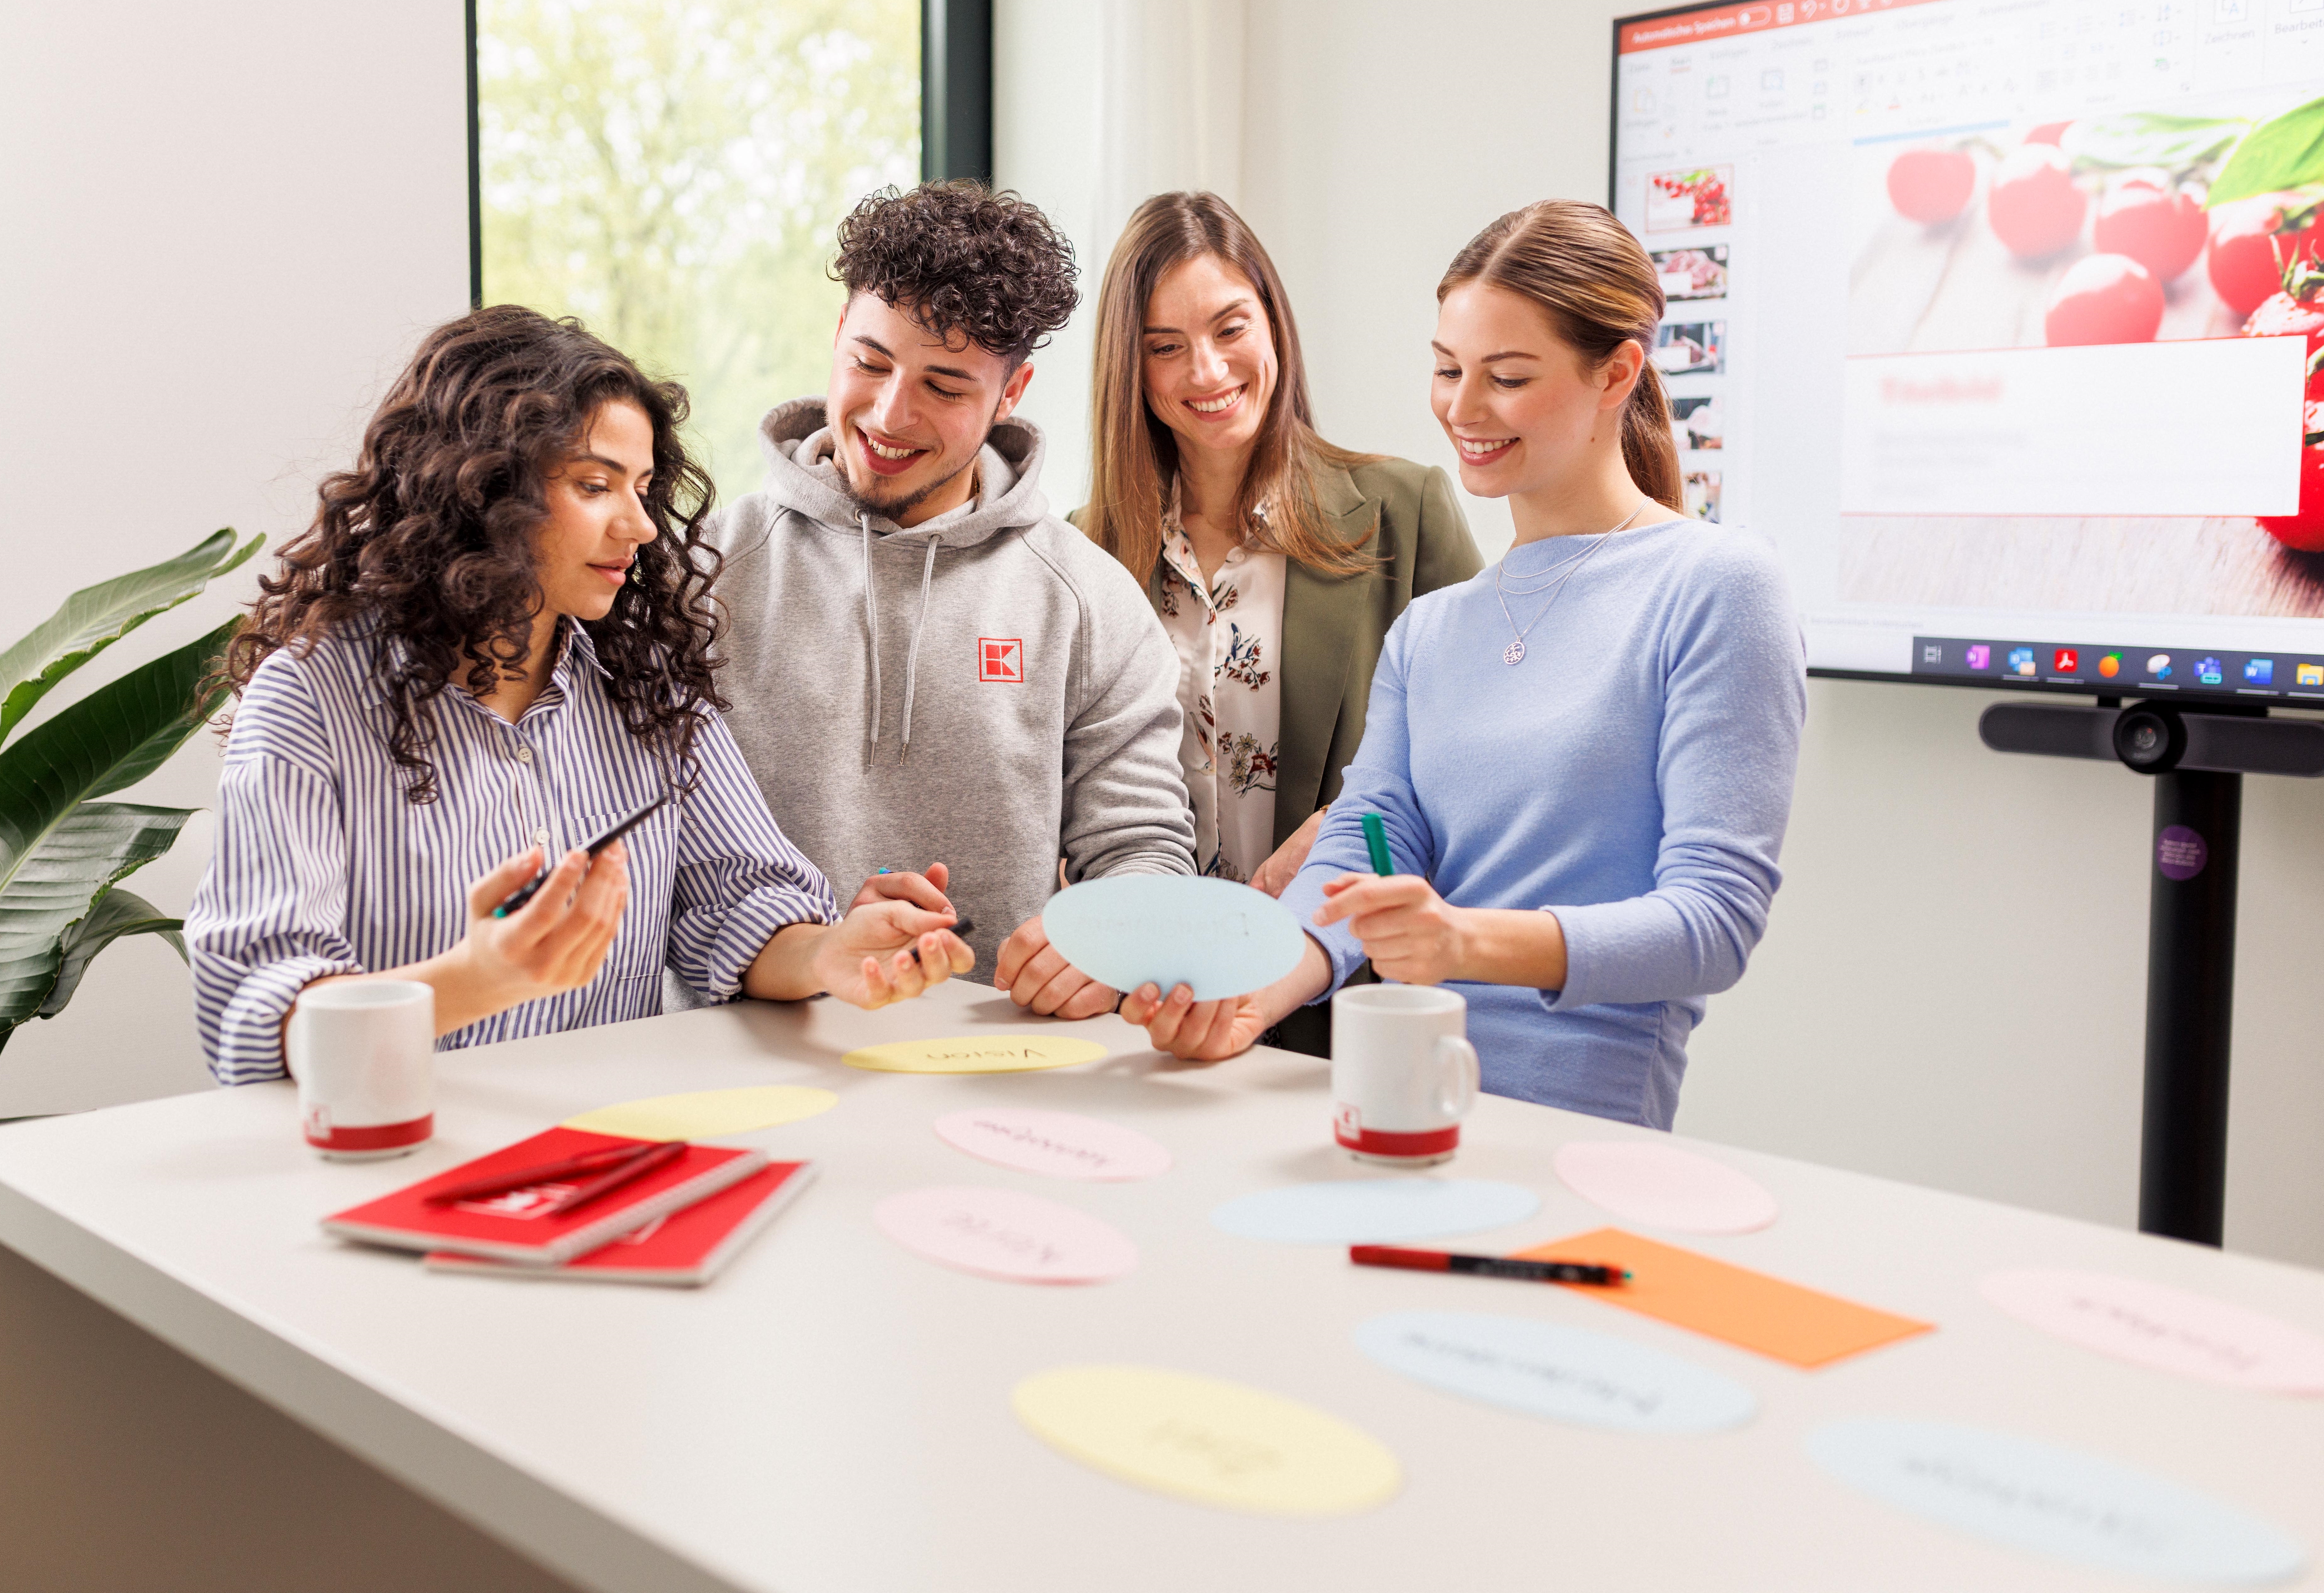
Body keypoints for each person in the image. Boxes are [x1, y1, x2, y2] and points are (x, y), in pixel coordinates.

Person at [1113, 199, 1805, 1129]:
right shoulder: (1431, 630)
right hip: (1394, 1099)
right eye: (1447, 370)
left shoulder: (1717, 585)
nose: (1463, 410)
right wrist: (1250, 993)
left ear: (1617, 374)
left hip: (1580, 1126)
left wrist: (1462, 942)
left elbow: (1713, 923)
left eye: (1507, 377)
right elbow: (1361, 842)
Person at [187, 307, 972, 1086]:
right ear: (478, 488)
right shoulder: (310, 699)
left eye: (642, 488)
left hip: (613, 1134)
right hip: (405, 1141)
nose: (639, 525)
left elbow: (740, 900)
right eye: (595, 485)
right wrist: (478, 978)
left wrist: (828, 953)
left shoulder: (647, 685)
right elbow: (254, 1020)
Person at [708, 180, 1195, 1019]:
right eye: (870, 363)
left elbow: (1143, 847)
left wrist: (1114, 934)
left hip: (995, 1053)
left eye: (944, 386)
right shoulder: (706, 571)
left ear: (1012, 392)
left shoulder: (1088, 601)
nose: (890, 413)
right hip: (733, 1052)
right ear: (838, 333)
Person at [1079, 192, 1483, 1052]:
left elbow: (1482, 756)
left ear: (1274, 326)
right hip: (1137, 1008)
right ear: (1130, 368)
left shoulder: (1404, 511)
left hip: (1343, 1003)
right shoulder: (1080, 554)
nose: (1206, 372)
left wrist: (1341, 827)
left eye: (1230, 329)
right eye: (1165, 348)